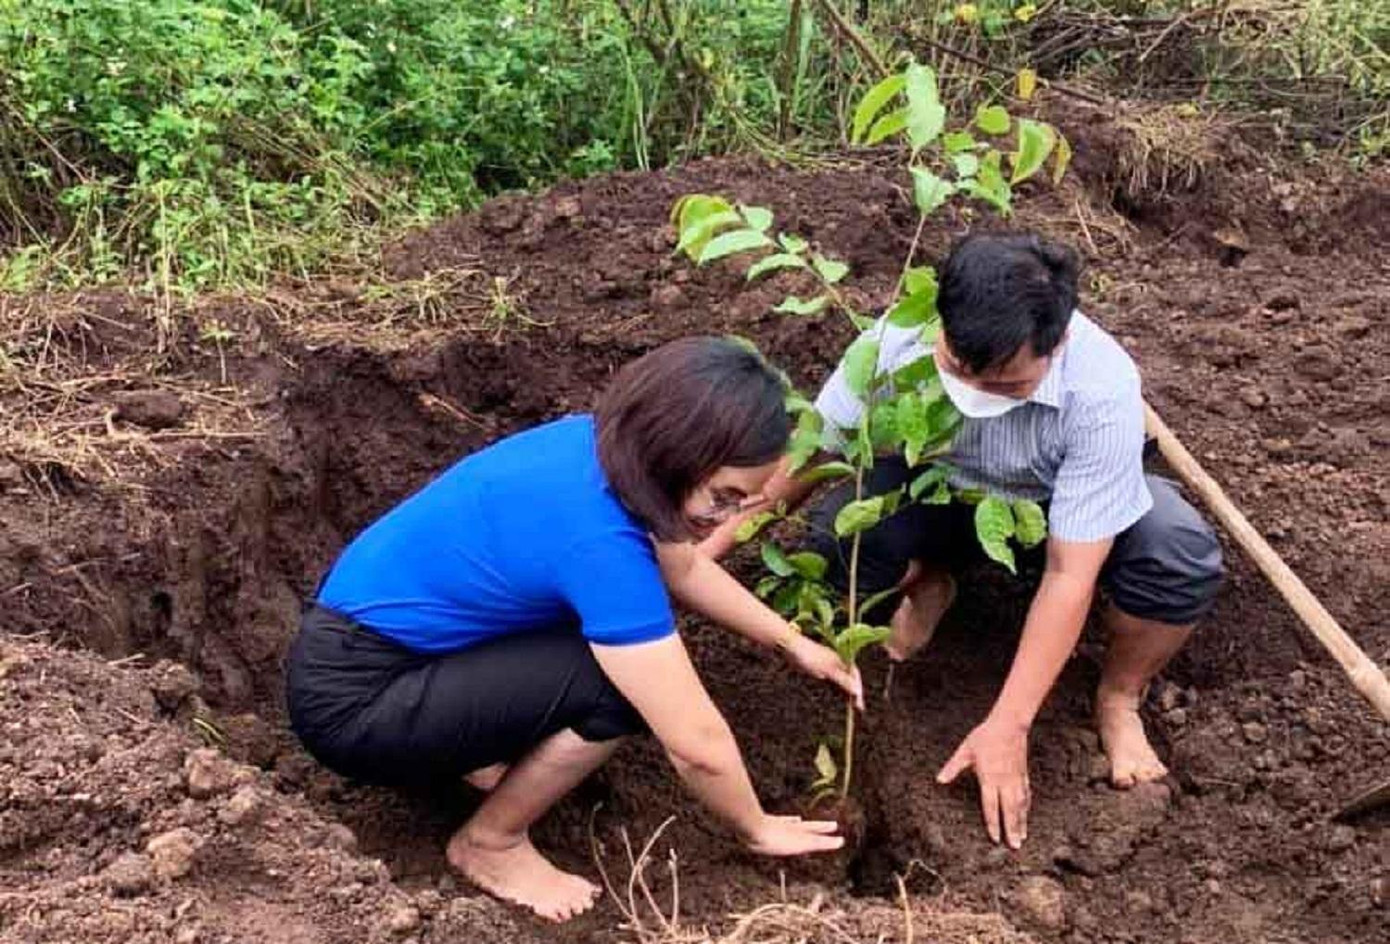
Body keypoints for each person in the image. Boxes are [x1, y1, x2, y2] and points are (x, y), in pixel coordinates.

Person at [286, 337, 865, 923]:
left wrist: (793, 643)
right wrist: (756, 825)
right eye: (725, 497)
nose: (729, 519)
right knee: (618, 685)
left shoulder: (607, 450)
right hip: (354, 704)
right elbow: (695, 743)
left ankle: (470, 747)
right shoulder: (599, 541)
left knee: (611, 638)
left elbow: (685, 567)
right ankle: (490, 842)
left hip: (380, 650)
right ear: (679, 455)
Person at [702, 233, 1224, 850]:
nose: (977, 397)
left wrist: (1008, 725)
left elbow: (1069, 572)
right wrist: (697, 559)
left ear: (1055, 345)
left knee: (1176, 551)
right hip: (934, 491)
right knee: (839, 536)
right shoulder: (895, 341)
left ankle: (1118, 697)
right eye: (957, 370)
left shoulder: (1101, 388)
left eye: (1007, 388)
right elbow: (812, 456)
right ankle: (932, 580)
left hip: (1048, 514)